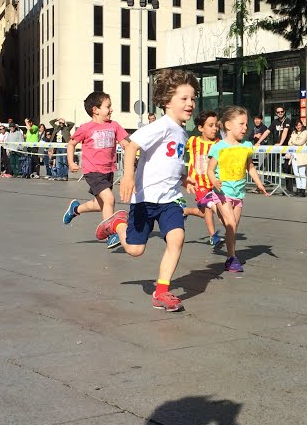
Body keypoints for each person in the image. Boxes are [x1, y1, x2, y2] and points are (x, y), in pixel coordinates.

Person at [96, 70, 201, 313]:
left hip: (170, 200)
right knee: (134, 250)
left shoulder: (182, 131)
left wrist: (185, 180)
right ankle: (118, 223)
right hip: (145, 200)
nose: (190, 104)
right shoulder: (162, 126)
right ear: (167, 101)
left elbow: (170, 163)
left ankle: (162, 292)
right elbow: (132, 145)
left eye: (193, 98)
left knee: (177, 238)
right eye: (184, 98)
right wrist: (129, 176)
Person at [62, 92, 131, 248]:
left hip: (108, 171)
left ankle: (75, 209)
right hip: (92, 171)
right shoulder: (86, 128)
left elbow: (127, 144)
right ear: (96, 109)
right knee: (109, 200)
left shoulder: (114, 125)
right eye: (108, 106)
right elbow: (71, 144)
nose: (111, 109)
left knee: (100, 205)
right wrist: (71, 162)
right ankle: (111, 234)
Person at [207, 105, 269, 273]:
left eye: (246, 124)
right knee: (231, 225)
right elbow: (210, 170)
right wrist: (214, 181)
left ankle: (212, 206)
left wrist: (259, 184)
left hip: (239, 193)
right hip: (222, 191)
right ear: (228, 125)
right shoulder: (218, 147)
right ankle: (232, 257)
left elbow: (250, 167)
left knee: (232, 227)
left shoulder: (247, 145)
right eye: (241, 124)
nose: (245, 128)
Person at [183, 110, 225, 246]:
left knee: (204, 213)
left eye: (216, 125)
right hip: (198, 183)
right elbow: (179, 149)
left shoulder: (219, 144)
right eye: (210, 125)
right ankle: (213, 236)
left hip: (214, 183)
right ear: (201, 128)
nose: (215, 129)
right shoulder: (193, 141)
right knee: (210, 207)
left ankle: (185, 211)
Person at [287, 120, 307, 197]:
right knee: (296, 173)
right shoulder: (293, 133)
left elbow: (301, 142)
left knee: (302, 173)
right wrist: (294, 142)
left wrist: (293, 142)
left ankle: (302, 190)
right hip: (294, 155)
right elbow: (289, 143)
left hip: (302, 155)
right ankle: (298, 189)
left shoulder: (305, 132)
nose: (298, 127)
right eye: (297, 125)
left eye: (300, 125)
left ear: (302, 125)